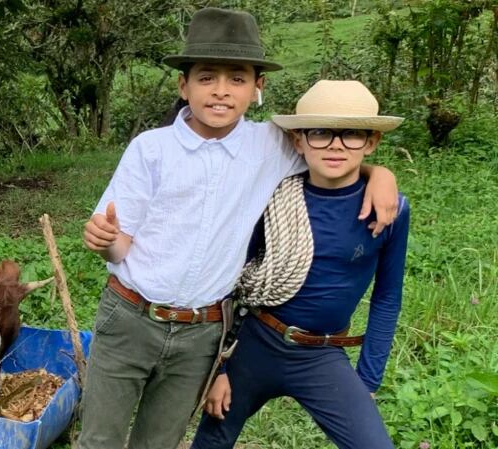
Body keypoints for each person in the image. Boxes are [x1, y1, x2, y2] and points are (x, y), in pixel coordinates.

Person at [79, 8, 400, 449]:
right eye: (207, 78)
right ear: (183, 85)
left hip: (202, 331)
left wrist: (380, 175)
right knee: (99, 439)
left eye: (238, 79)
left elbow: (334, 154)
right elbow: (120, 247)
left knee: (159, 441)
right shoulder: (150, 150)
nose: (221, 92)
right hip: (131, 317)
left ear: (257, 87)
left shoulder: (269, 144)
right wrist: (106, 241)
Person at [191, 80, 410, 449]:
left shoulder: (389, 211)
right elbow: (227, 280)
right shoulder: (270, 198)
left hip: (321, 354)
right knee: (211, 442)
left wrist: (369, 380)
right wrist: (220, 369)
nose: (336, 145)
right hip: (254, 343)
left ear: (372, 142)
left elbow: (387, 297)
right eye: (321, 133)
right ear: (298, 141)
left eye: (352, 134)